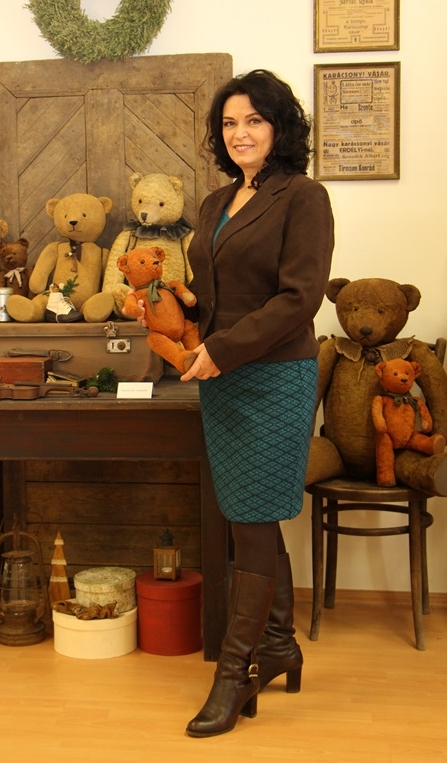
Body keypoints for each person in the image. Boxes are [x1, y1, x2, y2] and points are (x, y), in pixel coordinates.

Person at [180, 69, 334, 738]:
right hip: (221, 378)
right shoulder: (215, 202)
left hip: (274, 377)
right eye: (229, 123)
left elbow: (300, 297)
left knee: (250, 518)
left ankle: (234, 674)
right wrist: (175, 313)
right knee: (252, 516)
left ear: (279, 127)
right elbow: (212, 291)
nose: (239, 133)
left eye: (254, 121)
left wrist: (222, 348)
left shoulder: (304, 197)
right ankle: (278, 647)